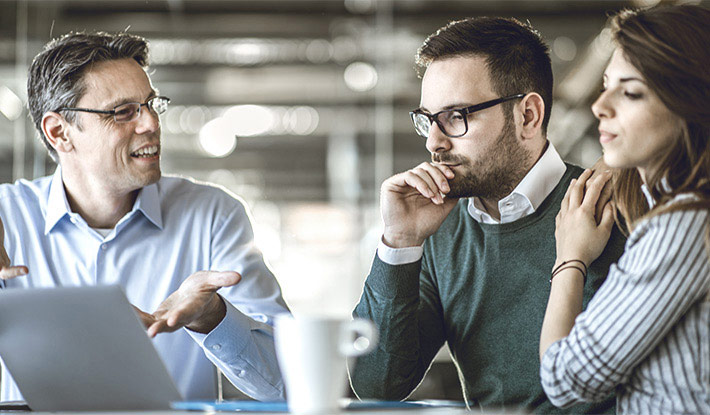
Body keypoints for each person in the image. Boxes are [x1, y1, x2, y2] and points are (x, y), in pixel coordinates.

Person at [350, 16, 626, 413]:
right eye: (428, 119)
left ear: (528, 116)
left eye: (456, 116)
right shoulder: (436, 231)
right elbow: (379, 385)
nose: (433, 141)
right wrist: (399, 243)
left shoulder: (609, 207)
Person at [0, 31, 289, 402]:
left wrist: (214, 317)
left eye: (151, 104)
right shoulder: (6, 218)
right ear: (59, 133)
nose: (150, 123)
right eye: (123, 112)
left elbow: (290, 384)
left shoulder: (213, 216)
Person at [539, 5, 710, 414]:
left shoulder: (685, 226)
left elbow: (565, 380)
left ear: (691, 104)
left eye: (630, 92)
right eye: (605, 85)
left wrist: (571, 257)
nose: (600, 105)